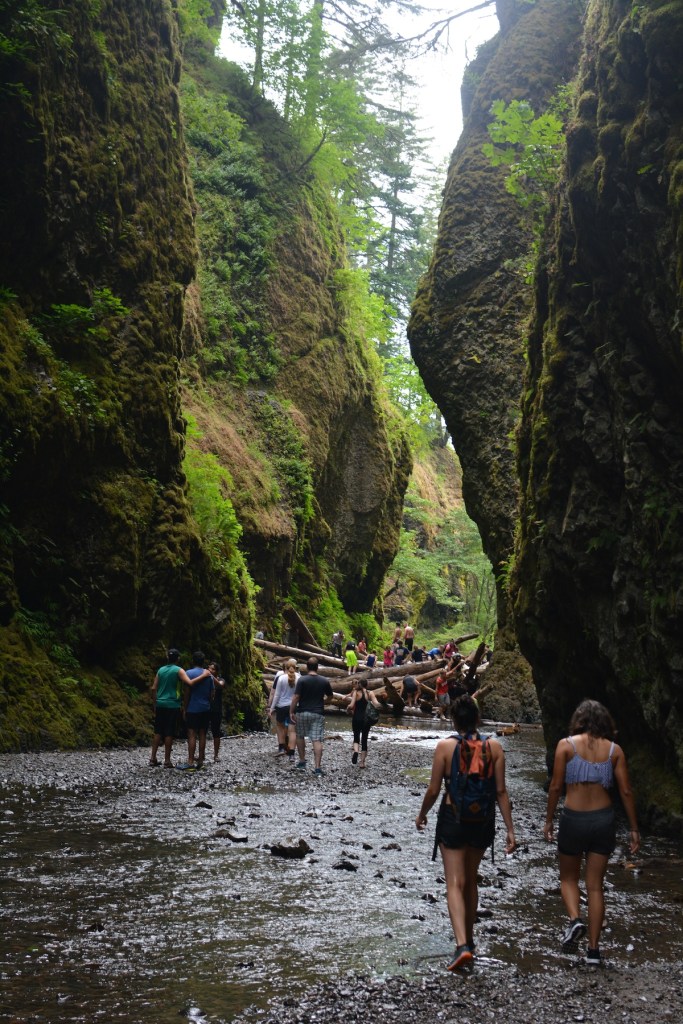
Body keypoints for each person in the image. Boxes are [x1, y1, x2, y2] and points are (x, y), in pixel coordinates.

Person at [416, 695, 516, 971]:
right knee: (471, 881)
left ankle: (461, 945)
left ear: (453, 720)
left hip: (454, 818)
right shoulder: (494, 747)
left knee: (454, 883)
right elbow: (501, 791)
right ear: (478, 718)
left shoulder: (445, 747)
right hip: (482, 819)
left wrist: (422, 814)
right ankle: (469, 942)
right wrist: (510, 829)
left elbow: (435, 789)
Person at [544, 699, 640, 965]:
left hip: (573, 818)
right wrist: (634, 828)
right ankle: (594, 952)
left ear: (579, 720)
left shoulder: (566, 745)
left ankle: (575, 920)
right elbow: (626, 790)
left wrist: (549, 820)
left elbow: (555, 786)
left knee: (568, 879)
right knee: (596, 887)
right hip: (603, 820)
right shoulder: (614, 751)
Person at [149, 648, 203, 768]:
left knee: (158, 731)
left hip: (160, 704)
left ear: (168, 657)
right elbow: (189, 683)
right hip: (172, 704)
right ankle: (167, 761)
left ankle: (152, 758)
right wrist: (204, 675)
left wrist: (155, 704)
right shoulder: (179, 670)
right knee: (169, 732)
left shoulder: (161, 670)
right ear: (178, 658)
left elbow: (153, 688)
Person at [289, 657, 333, 776]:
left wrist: (291, 711)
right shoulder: (324, 681)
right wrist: (324, 701)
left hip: (302, 712)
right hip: (317, 713)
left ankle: (302, 761)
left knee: (300, 736)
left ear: (307, 667)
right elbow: (330, 696)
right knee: (316, 739)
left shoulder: (302, 680)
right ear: (317, 667)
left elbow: (296, 697)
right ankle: (317, 768)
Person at [182, 650, 214, 770]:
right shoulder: (209, 675)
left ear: (193, 661)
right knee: (202, 734)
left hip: (193, 708)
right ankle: (200, 760)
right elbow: (212, 694)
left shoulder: (189, 673)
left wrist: (185, 708)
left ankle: (190, 761)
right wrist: (208, 704)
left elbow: (187, 692)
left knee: (191, 734)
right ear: (203, 661)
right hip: (205, 708)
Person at [267, 660, 299, 760]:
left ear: (285, 668)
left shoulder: (280, 678)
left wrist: (271, 708)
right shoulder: (299, 678)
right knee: (292, 731)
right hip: (294, 706)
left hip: (281, 706)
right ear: (295, 667)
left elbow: (276, 694)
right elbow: (299, 694)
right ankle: (292, 754)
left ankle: (281, 748)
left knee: (280, 727)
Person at [347, 678, 382, 767]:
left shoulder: (356, 692)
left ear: (359, 684)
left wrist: (348, 708)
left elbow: (351, 705)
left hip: (357, 718)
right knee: (364, 739)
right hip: (367, 719)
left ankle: (355, 751)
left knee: (356, 737)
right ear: (367, 685)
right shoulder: (370, 693)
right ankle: (362, 763)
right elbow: (376, 704)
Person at [208, 662, 226, 762]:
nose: (210, 670)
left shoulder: (221, 679)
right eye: (209, 668)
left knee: (216, 732)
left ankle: (216, 755)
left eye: (213, 669)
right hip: (205, 708)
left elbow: (221, 685)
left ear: (217, 671)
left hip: (216, 709)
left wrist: (210, 676)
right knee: (202, 731)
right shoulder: (205, 679)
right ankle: (200, 754)